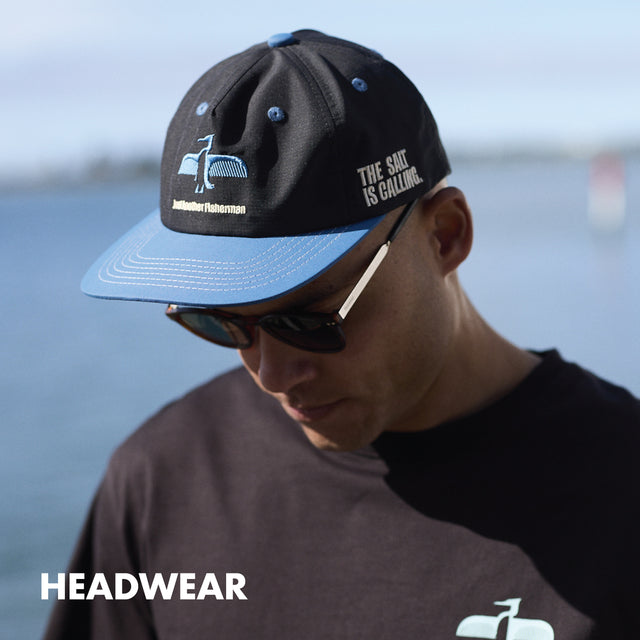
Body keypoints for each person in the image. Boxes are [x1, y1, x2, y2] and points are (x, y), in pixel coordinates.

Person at [44, 30, 640, 639]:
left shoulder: (622, 488)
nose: (271, 375)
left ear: (445, 236)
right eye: (222, 320)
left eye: (310, 319)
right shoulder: (159, 480)